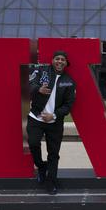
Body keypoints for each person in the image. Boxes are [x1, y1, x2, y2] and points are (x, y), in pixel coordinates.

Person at [27, 51, 76, 195]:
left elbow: (68, 105)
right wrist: (38, 89)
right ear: (52, 60)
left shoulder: (69, 81)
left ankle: (51, 181)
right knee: (33, 143)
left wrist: (54, 115)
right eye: (57, 59)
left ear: (66, 63)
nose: (60, 62)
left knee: (53, 153)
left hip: (54, 122)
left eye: (63, 60)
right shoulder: (41, 71)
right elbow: (29, 84)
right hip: (36, 117)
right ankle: (41, 166)